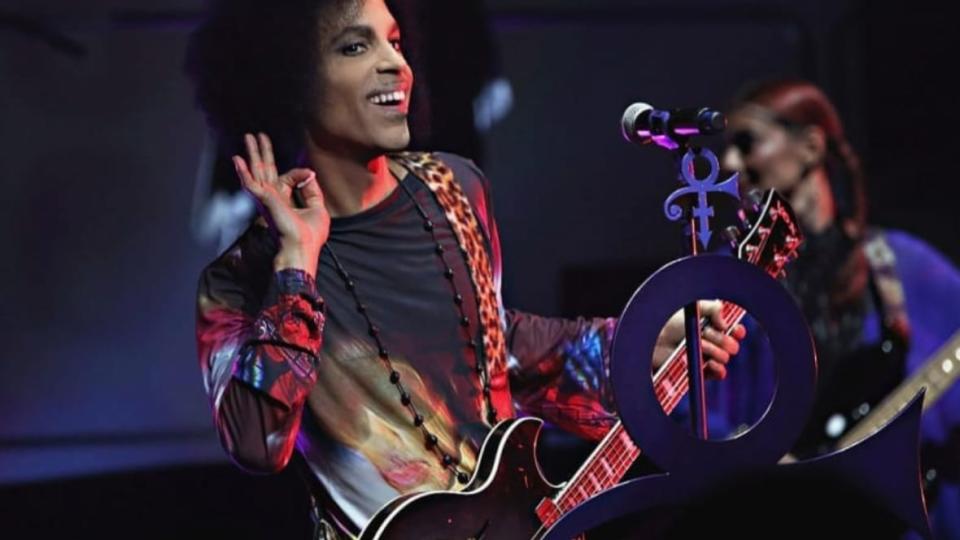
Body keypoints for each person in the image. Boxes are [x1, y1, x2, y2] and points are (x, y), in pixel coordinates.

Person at [187, 0, 745, 537]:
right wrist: (295, 268)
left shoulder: (454, 185)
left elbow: (497, 348)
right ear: (289, 79)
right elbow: (258, 444)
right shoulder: (238, 281)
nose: (394, 63)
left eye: (396, 41)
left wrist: (640, 340)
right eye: (355, 46)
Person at [716, 78, 960, 538]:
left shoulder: (899, 263)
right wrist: (750, 454)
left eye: (746, 143)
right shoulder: (733, 284)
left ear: (810, 147)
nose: (731, 164)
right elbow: (694, 409)